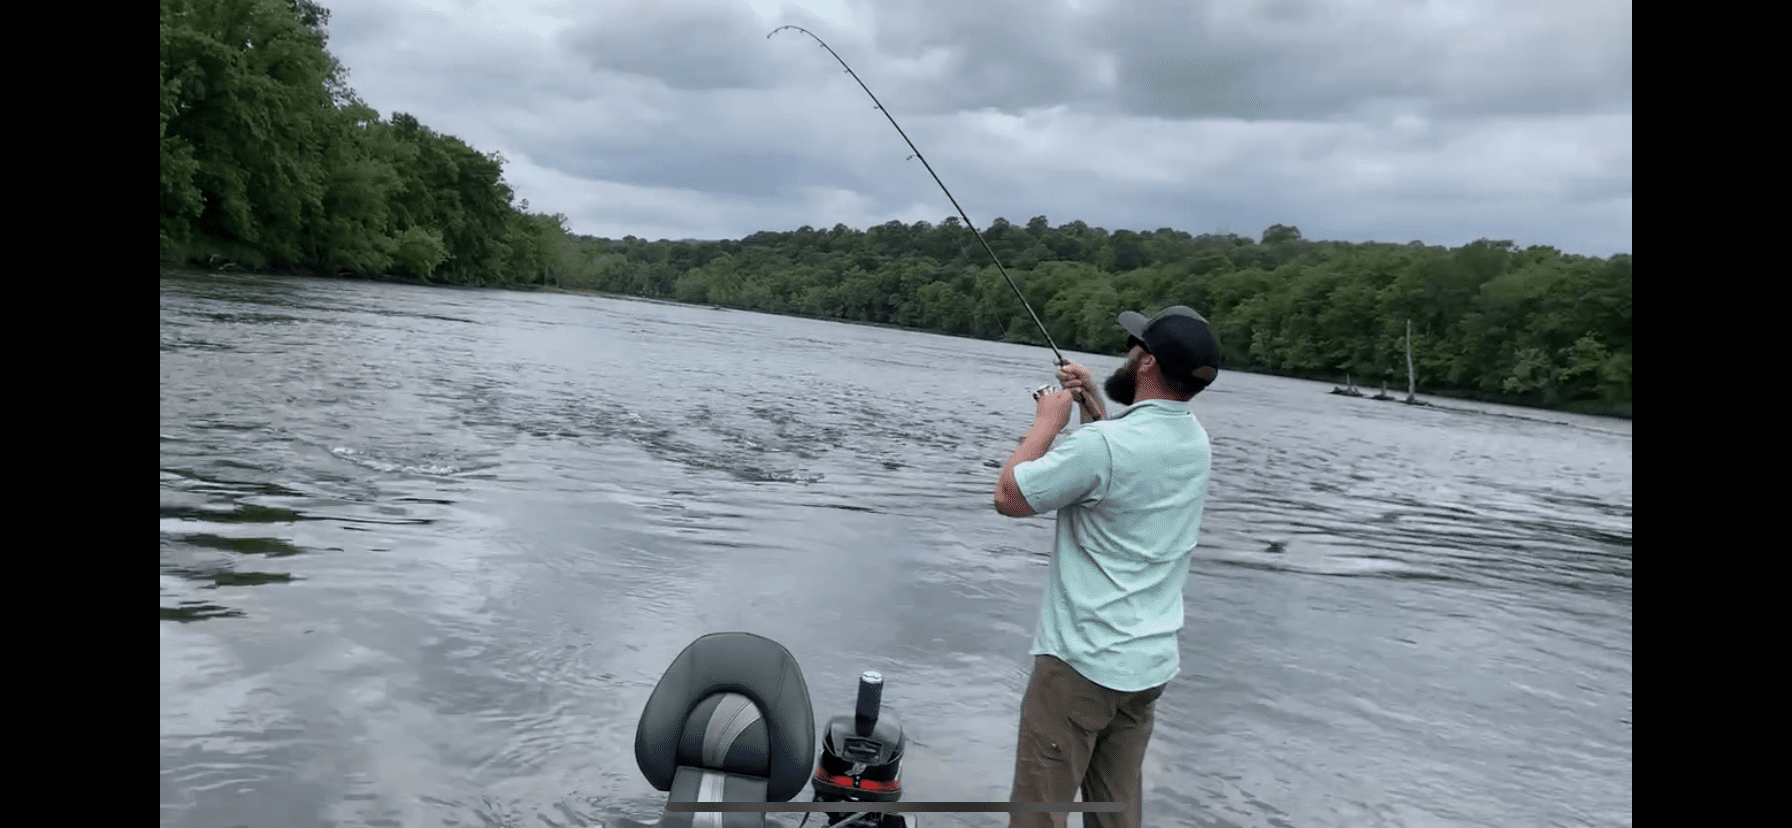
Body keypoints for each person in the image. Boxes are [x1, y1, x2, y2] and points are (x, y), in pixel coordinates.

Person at [992, 305, 1223, 828]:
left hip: (1081, 667)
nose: (1129, 352)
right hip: (1145, 669)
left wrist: (1046, 424)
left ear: (1145, 364)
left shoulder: (1104, 447)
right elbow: (1124, 465)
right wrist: (1092, 405)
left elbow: (1010, 496)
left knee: (1038, 816)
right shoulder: (1194, 441)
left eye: (1135, 346)